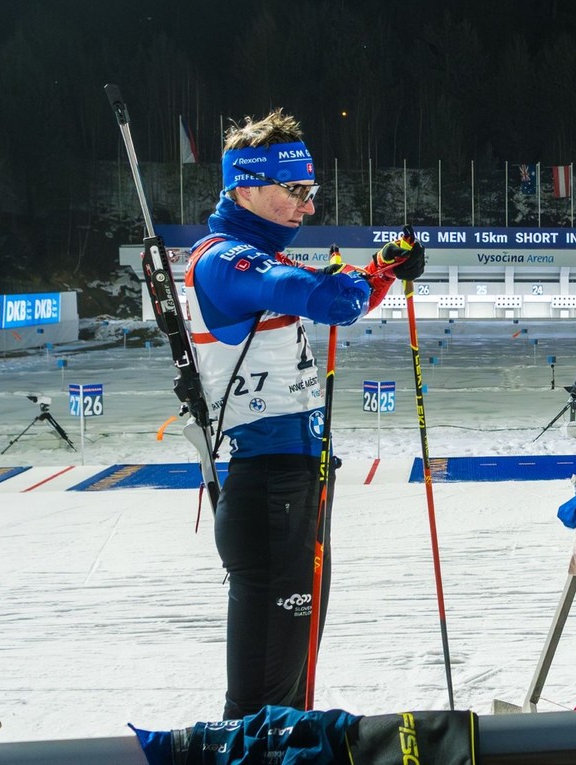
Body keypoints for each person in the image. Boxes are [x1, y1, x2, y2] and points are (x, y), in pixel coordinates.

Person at [183, 109, 425, 718]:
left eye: (310, 192)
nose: (308, 207)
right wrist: (345, 282)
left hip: (295, 484)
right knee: (263, 704)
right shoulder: (222, 260)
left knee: (290, 686)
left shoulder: (253, 257)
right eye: (295, 192)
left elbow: (335, 293)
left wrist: (384, 272)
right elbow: (314, 295)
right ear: (247, 186)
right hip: (267, 488)